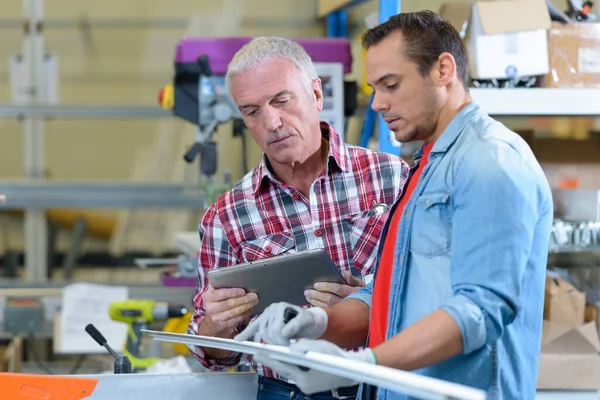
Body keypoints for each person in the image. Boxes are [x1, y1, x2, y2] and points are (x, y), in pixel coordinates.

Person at [235, 11, 554, 400]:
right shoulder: (425, 168)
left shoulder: (490, 161)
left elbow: (479, 312)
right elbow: (391, 293)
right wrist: (315, 322)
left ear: (443, 70)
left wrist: (362, 364)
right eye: (374, 88)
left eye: (390, 85)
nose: (377, 104)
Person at [187, 36, 410, 400]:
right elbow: (211, 356)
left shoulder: (391, 178)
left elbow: (427, 296)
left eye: (281, 100)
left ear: (316, 94)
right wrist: (218, 324)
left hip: (379, 384)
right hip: (285, 392)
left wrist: (366, 306)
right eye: (252, 111)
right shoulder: (227, 216)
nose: (271, 122)